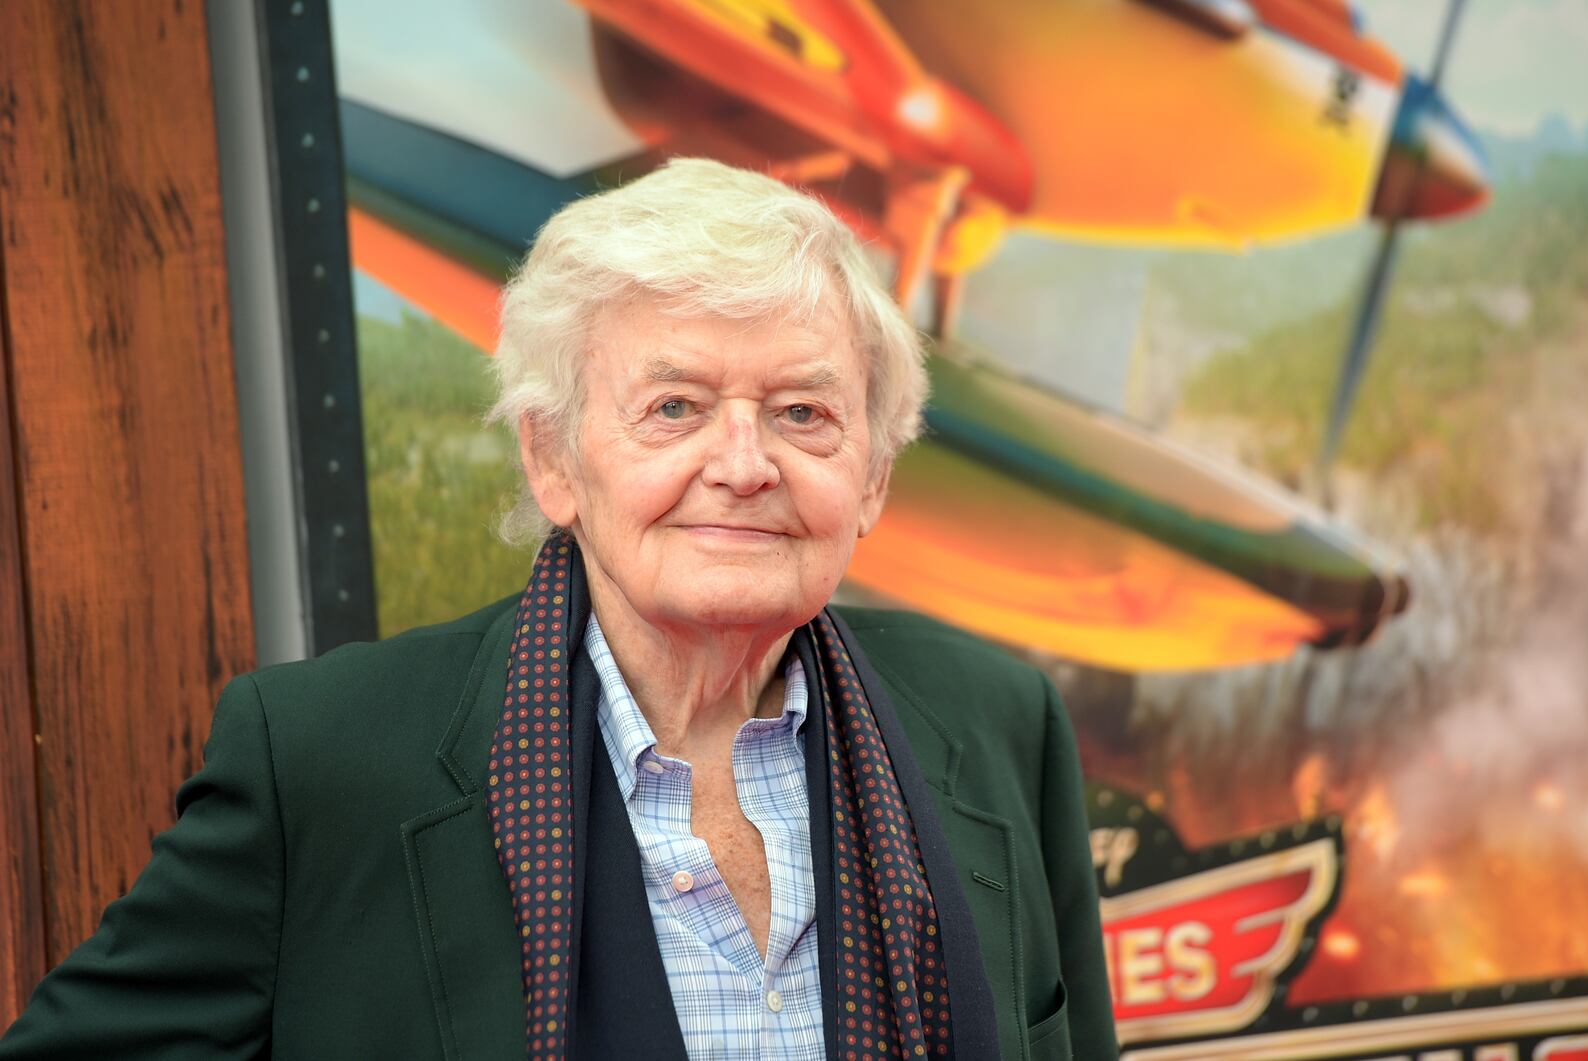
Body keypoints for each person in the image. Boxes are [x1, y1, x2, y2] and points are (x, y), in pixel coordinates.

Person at [0, 158, 1116, 1060]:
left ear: (872, 475)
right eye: (673, 406)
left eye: (803, 412)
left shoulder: (994, 720)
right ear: (553, 460)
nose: (743, 462)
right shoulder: (322, 761)